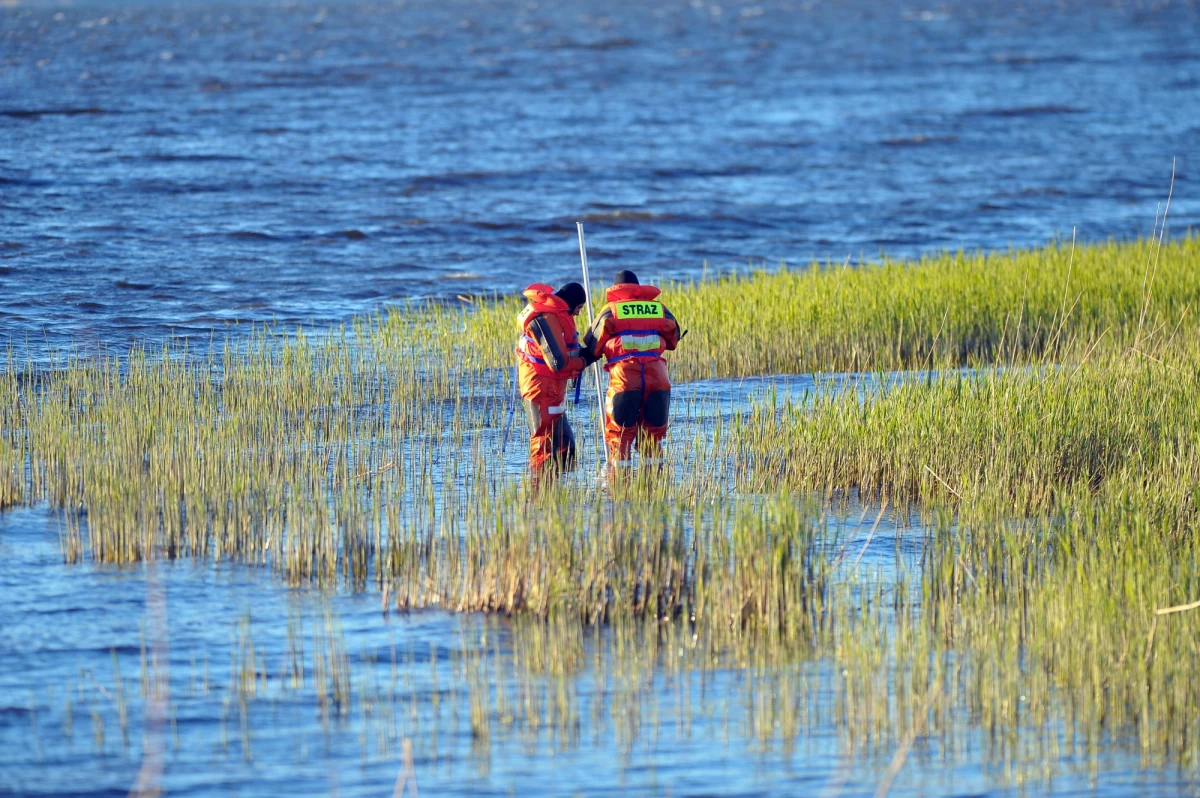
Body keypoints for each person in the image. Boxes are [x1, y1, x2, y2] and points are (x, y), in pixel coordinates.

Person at [581, 270, 681, 470]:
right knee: (652, 436)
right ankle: (654, 483)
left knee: (621, 436)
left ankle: (620, 487)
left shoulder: (611, 311)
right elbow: (674, 339)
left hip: (625, 379)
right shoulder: (659, 309)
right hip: (658, 378)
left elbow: (592, 346)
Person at [516, 281, 589, 482]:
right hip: (541, 389)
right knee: (544, 447)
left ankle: (561, 495)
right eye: (579, 308)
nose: (578, 314)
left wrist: (587, 352)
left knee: (566, 448)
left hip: (553, 389)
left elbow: (564, 352)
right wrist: (584, 361)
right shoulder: (546, 318)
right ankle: (541, 497)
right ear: (572, 303)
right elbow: (557, 362)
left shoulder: (557, 316)